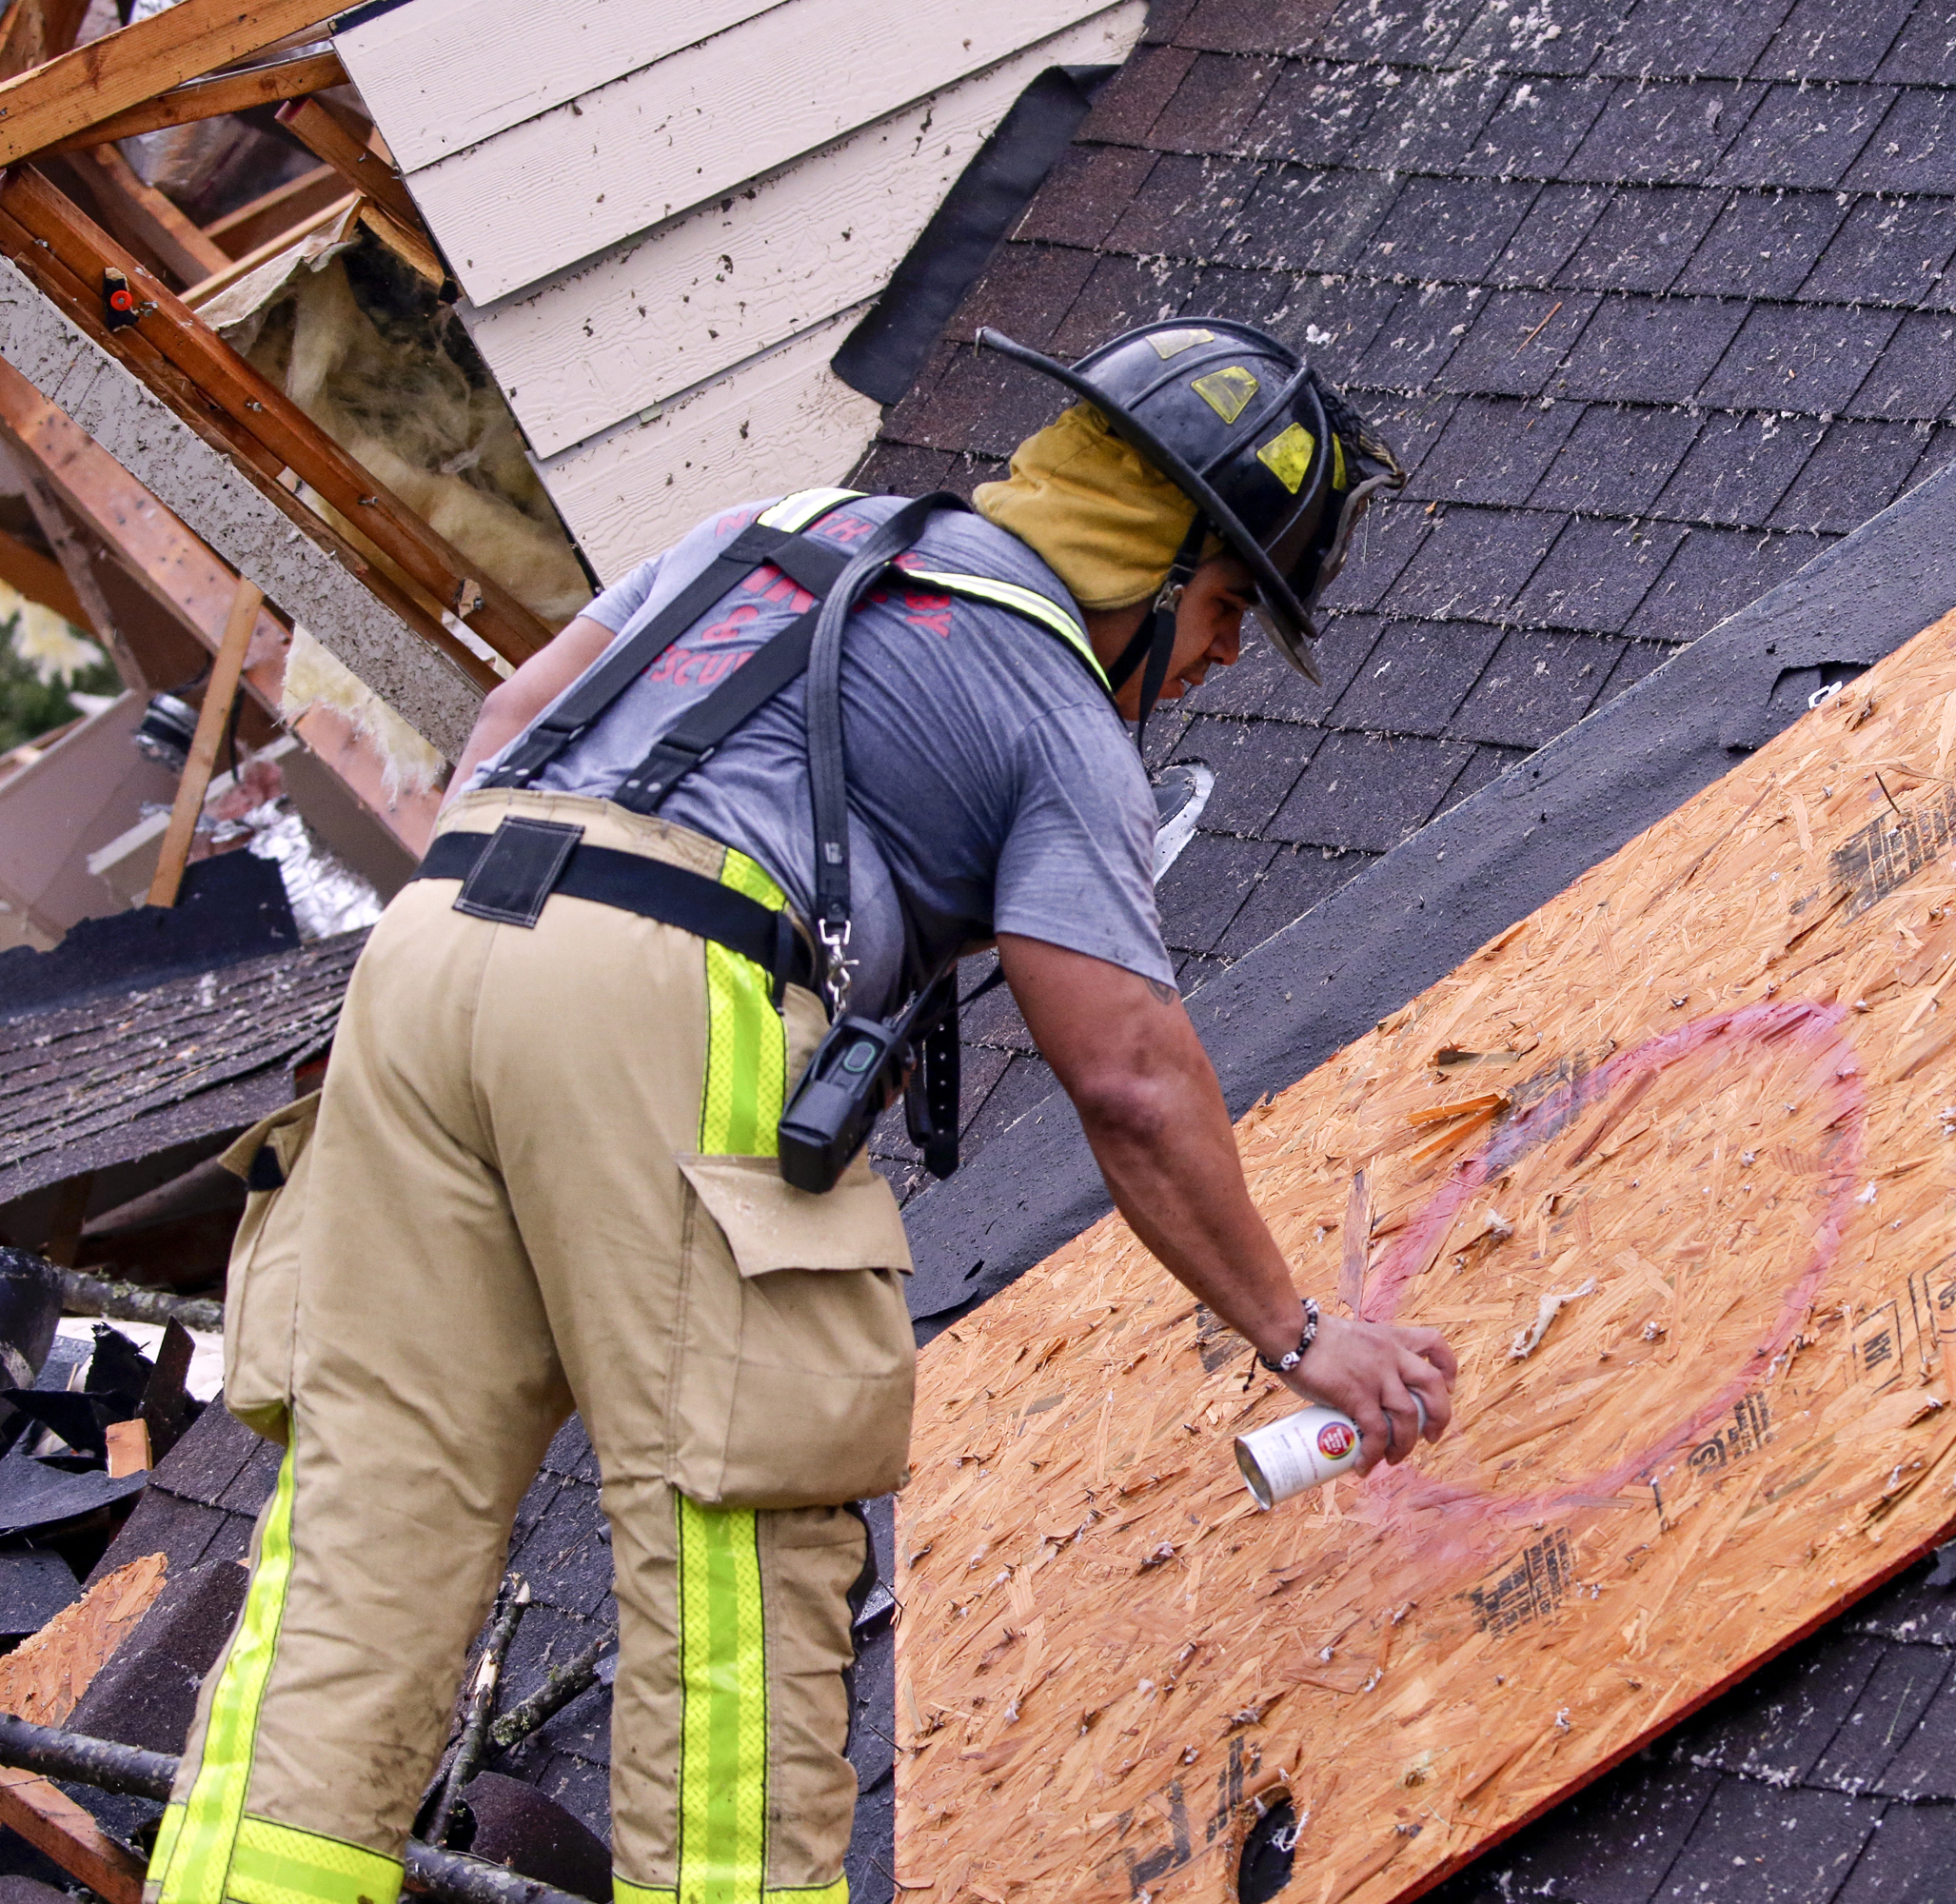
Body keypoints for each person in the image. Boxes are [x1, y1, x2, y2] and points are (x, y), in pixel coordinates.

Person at [148, 321, 1454, 1904]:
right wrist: (1300, 1332)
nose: (1228, 657)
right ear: (1157, 557)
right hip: (670, 980)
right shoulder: (1055, 708)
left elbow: (506, 732)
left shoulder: (772, 528)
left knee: (369, 1527)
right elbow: (1128, 1074)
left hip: (435, 951)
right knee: (736, 1554)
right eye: (1234, 604)